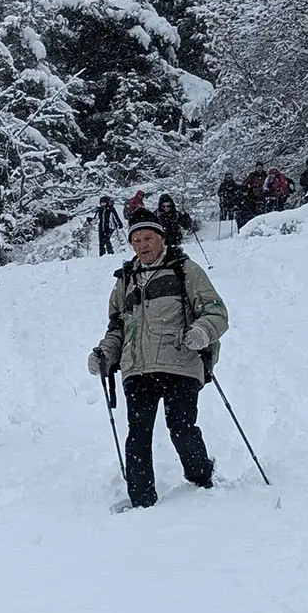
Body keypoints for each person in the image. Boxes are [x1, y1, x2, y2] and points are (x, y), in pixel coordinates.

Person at [87, 212, 228, 509]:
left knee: (181, 428)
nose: (142, 245)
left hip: (180, 364)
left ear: (162, 238)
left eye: (148, 238)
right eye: (136, 240)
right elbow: (117, 327)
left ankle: (201, 479)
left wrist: (201, 332)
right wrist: (105, 353)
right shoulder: (125, 280)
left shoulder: (185, 270)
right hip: (137, 368)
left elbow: (216, 312)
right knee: (138, 434)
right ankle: (142, 502)